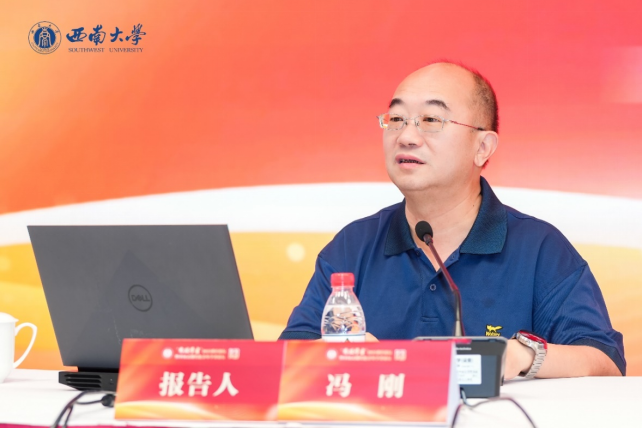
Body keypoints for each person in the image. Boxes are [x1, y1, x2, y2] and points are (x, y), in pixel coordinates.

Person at [279, 62, 625, 379]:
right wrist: (340, 356)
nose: (406, 136)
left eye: (431, 120)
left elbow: (605, 363)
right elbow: (284, 364)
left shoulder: (538, 249)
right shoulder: (353, 246)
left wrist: (520, 355)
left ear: (483, 147)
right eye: (396, 119)